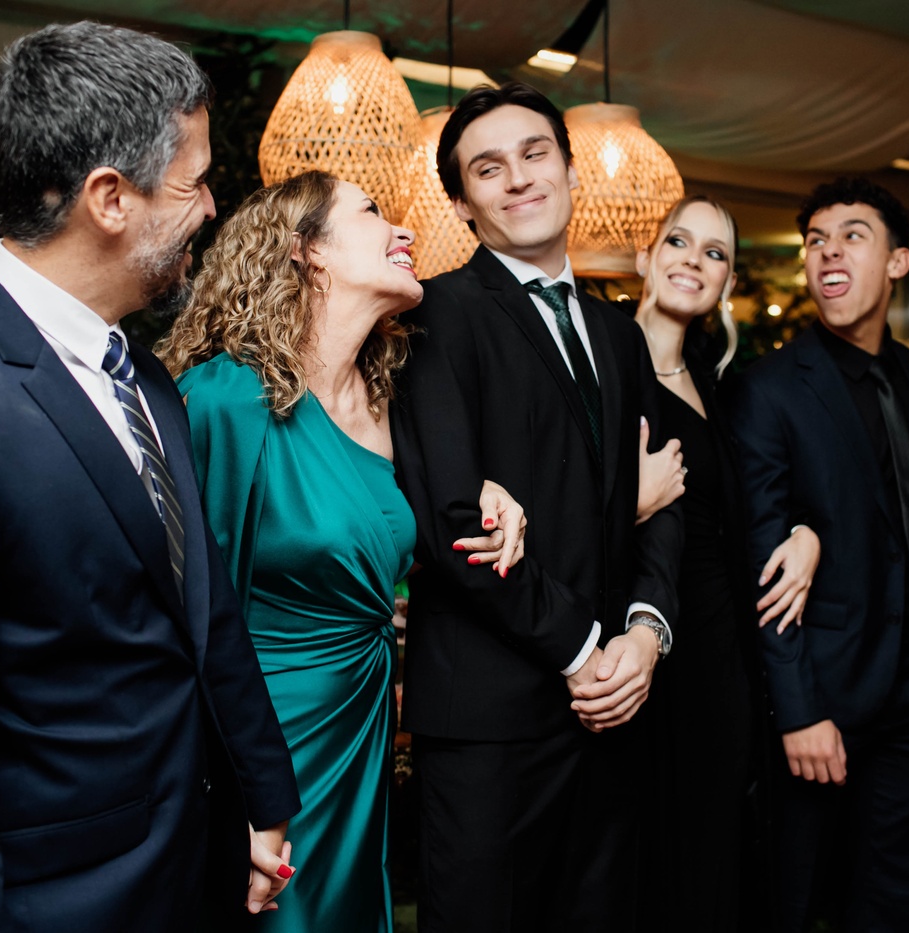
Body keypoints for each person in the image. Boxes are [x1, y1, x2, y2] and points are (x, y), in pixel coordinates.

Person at [0, 23, 300, 932]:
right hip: (61, 899)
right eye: (193, 182)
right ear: (109, 198)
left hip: (193, 869)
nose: (210, 206)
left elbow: (203, 616)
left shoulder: (146, 379)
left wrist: (259, 801)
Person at [157, 170, 527, 933]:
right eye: (372, 212)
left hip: (363, 732)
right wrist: (219, 791)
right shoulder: (227, 401)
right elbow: (180, 618)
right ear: (307, 250)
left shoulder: (395, 402)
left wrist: (489, 491)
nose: (404, 231)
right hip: (265, 747)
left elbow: (390, 539)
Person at [389, 82, 684, 933]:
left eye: (534, 154)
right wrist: (585, 650)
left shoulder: (620, 334)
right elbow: (457, 521)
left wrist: (644, 634)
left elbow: (662, 489)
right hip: (490, 720)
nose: (518, 178)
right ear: (461, 202)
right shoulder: (435, 315)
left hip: (616, 709)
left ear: (569, 169)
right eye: (488, 168)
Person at [729, 177, 909, 932]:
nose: (828, 251)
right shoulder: (768, 388)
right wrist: (799, 712)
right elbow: (762, 562)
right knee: (799, 898)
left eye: (853, 236)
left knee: (898, 894)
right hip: (827, 690)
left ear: (898, 262)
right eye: (816, 240)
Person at [630, 195, 821, 929]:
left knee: (714, 853)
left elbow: (758, 499)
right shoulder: (601, 361)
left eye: (714, 253)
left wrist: (806, 532)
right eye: (679, 241)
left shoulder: (720, 383)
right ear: (646, 257)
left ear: (728, 283)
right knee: (641, 856)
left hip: (720, 648)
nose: (694, 260)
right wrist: (629, 505)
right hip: (636, 643)